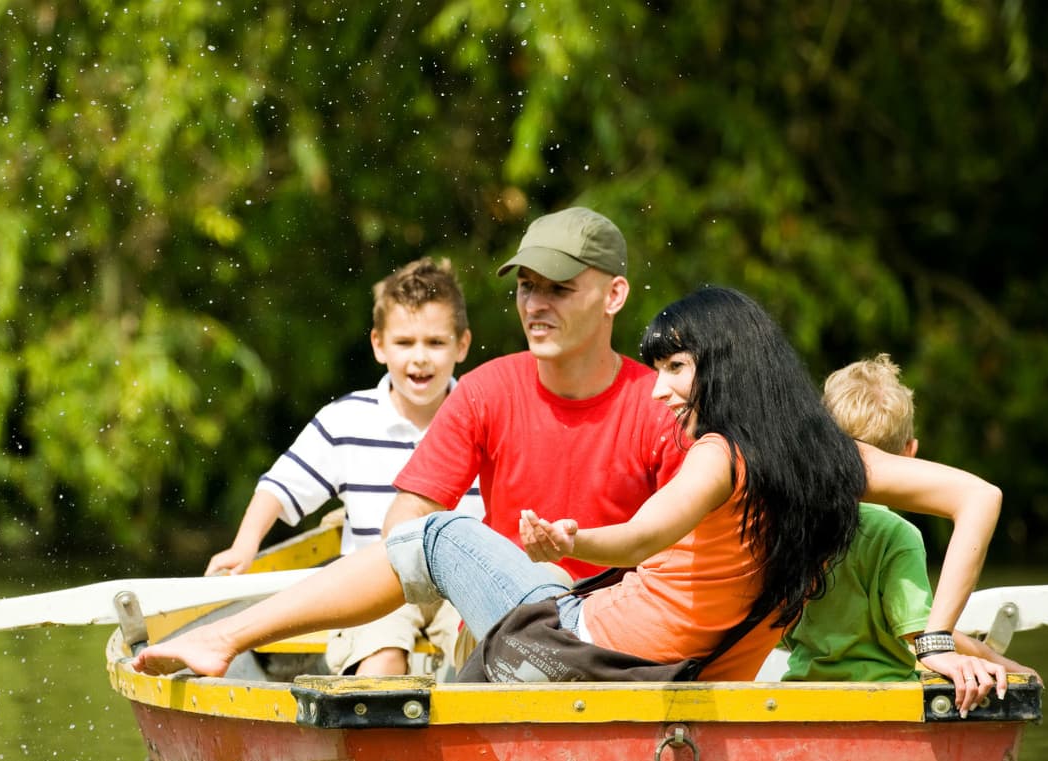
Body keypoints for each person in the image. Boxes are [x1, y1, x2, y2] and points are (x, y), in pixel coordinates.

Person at [131, 287, 1003, 714]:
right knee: (467, 584)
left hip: (572, 662)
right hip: (676, 679)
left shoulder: (716, 457)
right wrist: (934, 640)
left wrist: (571, 537)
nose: (659, 388)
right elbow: (978, 497)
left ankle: (226, 637)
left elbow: (643, 535)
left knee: (436, 533)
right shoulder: (830, 460)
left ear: (722, 368)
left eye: (674, 366)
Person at [203, 256, 482, 676]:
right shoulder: (346, 420)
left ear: (461, 345)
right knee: (381, 659)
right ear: (379, 345)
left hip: (459, 585)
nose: (420, 358)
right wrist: (245, 546)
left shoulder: (482, 413)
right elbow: (280, 486)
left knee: (490, 655)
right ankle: (375, 731)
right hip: (374, 586)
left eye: (436, 343)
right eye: (405, 343)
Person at [380, 206, 685, 582]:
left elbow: (693, 552)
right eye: (527, 286)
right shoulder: (485, 391)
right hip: (500, 624)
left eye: (559, 288)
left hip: (619, 628)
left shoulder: (663, 405)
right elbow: (404, 524)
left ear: (614, 296)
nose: (535, 305)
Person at [781, 354, 1037, 708]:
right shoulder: (896, 536)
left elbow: (783, 633)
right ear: (909, 454)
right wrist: (1006, 667)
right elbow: (920, 635)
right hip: (885, 701)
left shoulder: (794, 529)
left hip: (798, 695)